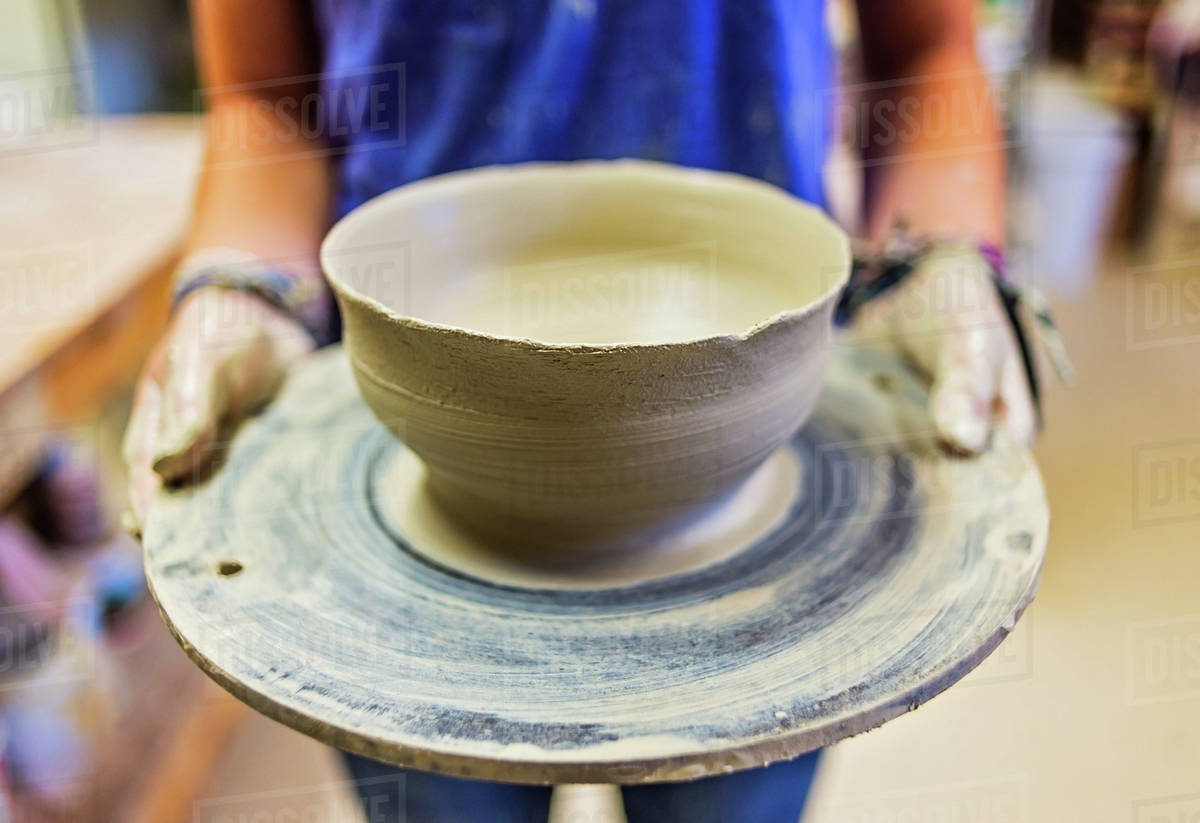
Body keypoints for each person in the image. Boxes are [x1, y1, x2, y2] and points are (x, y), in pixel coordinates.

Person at [123, 1, 1037, 821]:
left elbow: (925, 51)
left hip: (756, 474)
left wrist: (941, 257)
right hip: (413, 460)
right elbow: (269, 98)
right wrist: (244, 286)